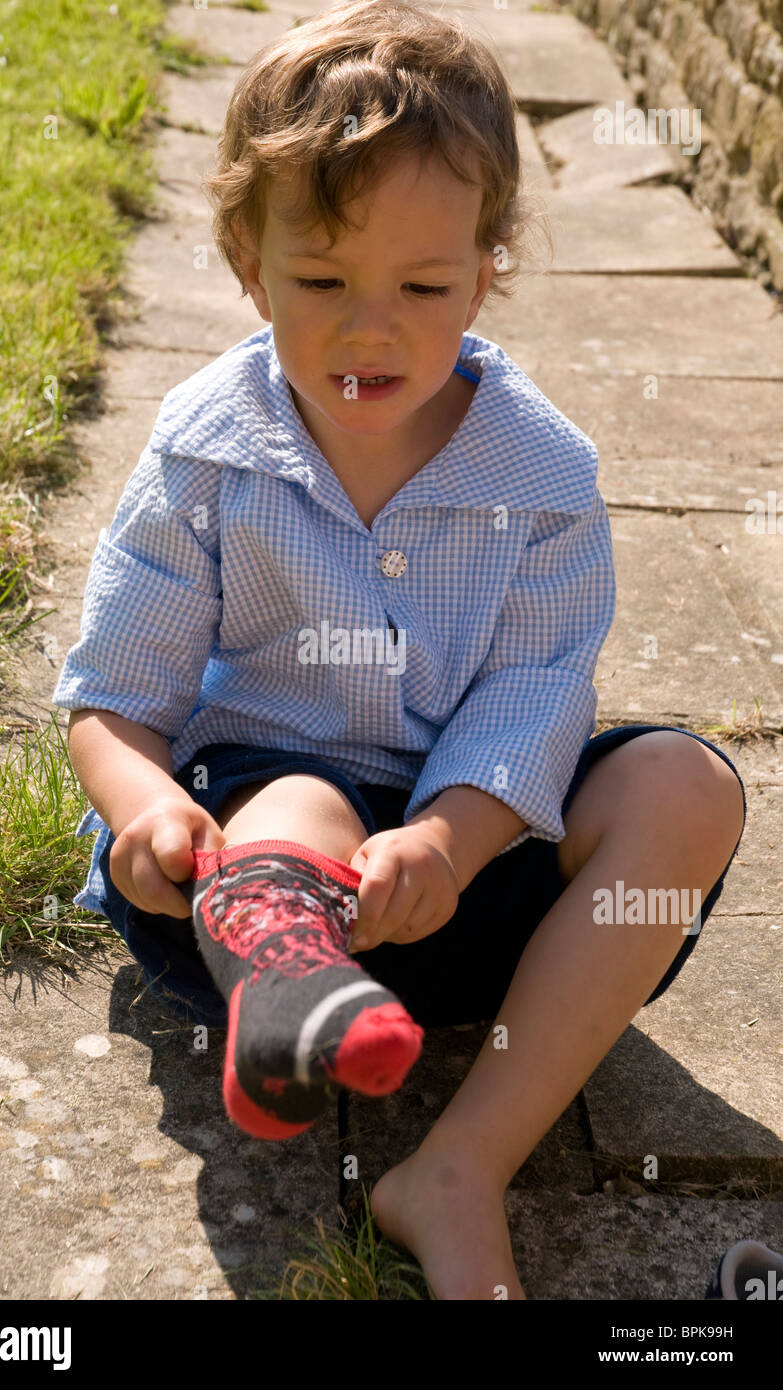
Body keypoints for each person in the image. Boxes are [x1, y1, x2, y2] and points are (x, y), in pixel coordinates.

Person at [52, 0, 747, 1299]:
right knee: (302, 796)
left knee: (688, 785)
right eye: (321, 283)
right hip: (236, 881)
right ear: (248, 266)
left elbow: (536, 698)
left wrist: (450, 841)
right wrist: (144, 816)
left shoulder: (541, 475)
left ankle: (459, 1163)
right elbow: (111, 699)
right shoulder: (206, 452)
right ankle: (287, 987)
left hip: (458, 893)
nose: (369, 330)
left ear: (486, 274)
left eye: (423, 288)